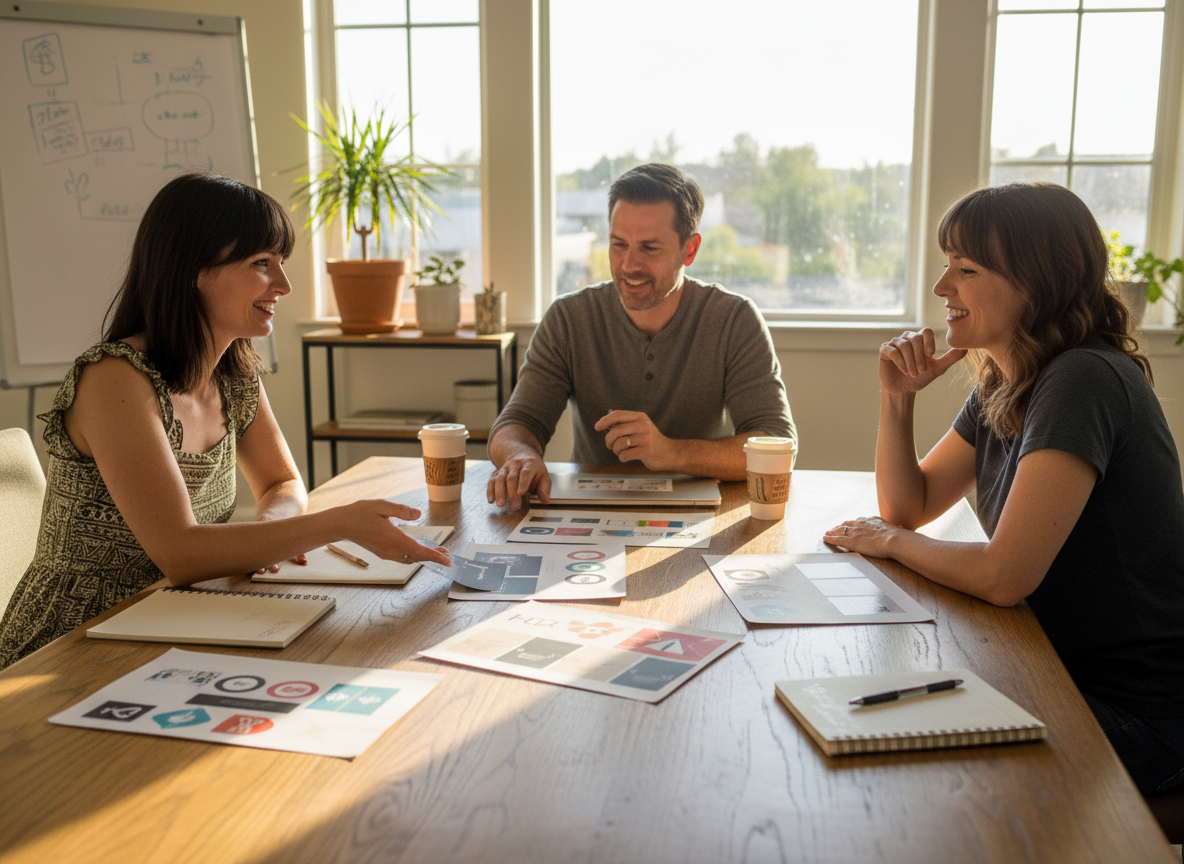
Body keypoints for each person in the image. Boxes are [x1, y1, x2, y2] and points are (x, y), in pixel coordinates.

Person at [0, 173, 450, 670]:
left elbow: (282, 481)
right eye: (261, 264)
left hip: (172, 616)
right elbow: (181, 553)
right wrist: (336, 524)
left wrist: (275, 531)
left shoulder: (235, 373)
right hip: (72, 642)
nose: (284, 285)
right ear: (193, 269)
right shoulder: (114, 379)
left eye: (281, 262)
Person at [823, 181, 1184, 796]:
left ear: (1037, 282)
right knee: (860, 717)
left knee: (896, 766)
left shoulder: (1082, 379)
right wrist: (896, 398)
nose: (942, 288)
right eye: (945, 266)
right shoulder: (1006, 381)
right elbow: (908, 507)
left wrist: (888, 542)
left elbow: (1002, 575)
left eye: (965, 269)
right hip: (1051, 673)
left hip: (1136, 719)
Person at [487, 163, 795, 510]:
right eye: (619, 244)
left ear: (690, 250)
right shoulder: (569, 318)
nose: (628, 264)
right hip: (589, 515)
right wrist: (522, 456)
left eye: (649, 248)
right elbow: (516, 424)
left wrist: (670, 452)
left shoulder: (733, 319)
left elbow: (777, 442)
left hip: (700, 517)